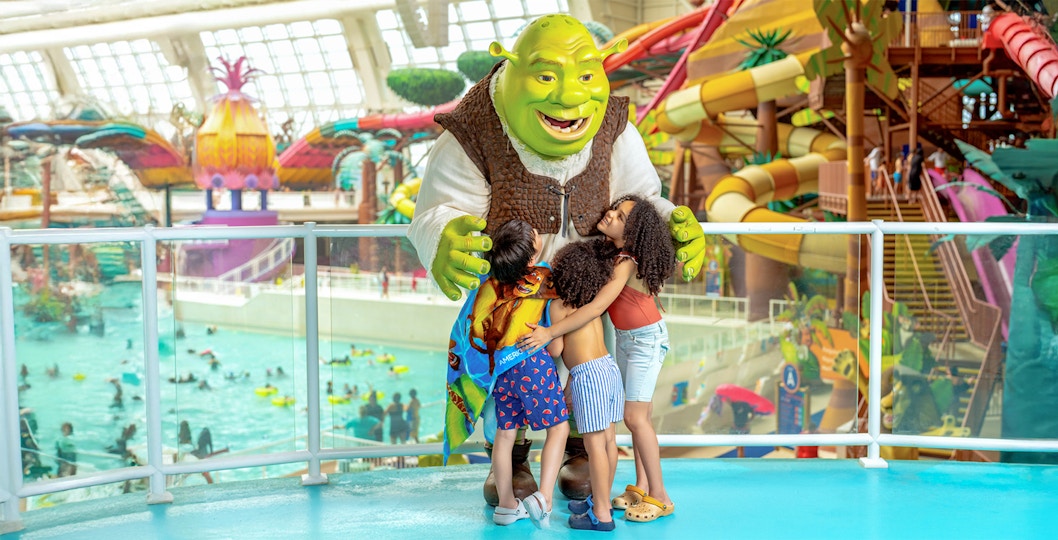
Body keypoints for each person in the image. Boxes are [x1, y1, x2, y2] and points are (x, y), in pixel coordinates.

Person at [408, 13, 704, 506]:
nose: (570, 96)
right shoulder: (473, 132)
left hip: (583, 290)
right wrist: (445, 236)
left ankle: (577, 452)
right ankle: (516, 457)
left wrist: (672, 226)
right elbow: (435, 211)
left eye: (586, 75)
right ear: (513, 68)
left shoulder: (613, 127)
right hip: (511, 296)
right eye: (547, 76)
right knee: (508, 367)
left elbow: (643, 200)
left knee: (583, 367)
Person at [520, 195, 677, 523]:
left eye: (619, 216)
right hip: (625, 340)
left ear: (633, 233)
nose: (609, 215)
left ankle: (660, 497)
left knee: (635, 419)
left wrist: (549, 333)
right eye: (614, 209)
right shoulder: (614, 254)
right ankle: (642, 486)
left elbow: (595, 307)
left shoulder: (626, 261)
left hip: (645, 340)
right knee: (634, 417)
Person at [475, 220, 569, 527]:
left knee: (505, 436)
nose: (539, 235)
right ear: (530, 259)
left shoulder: (490, 283)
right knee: (559, 429)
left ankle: (505, 506)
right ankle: (544, 497)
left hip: (501, 369)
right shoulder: (543, 279)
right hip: (532, 365)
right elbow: (555, 350)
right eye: (535, 236)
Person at [543, 240, 624, 531]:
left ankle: (601, 513)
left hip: (588, 375)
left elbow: (555, 350)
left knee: (594, 447)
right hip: (608, 369)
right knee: (609, 442)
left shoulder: (558, 306)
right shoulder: (592, 304)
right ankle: (598, 499)